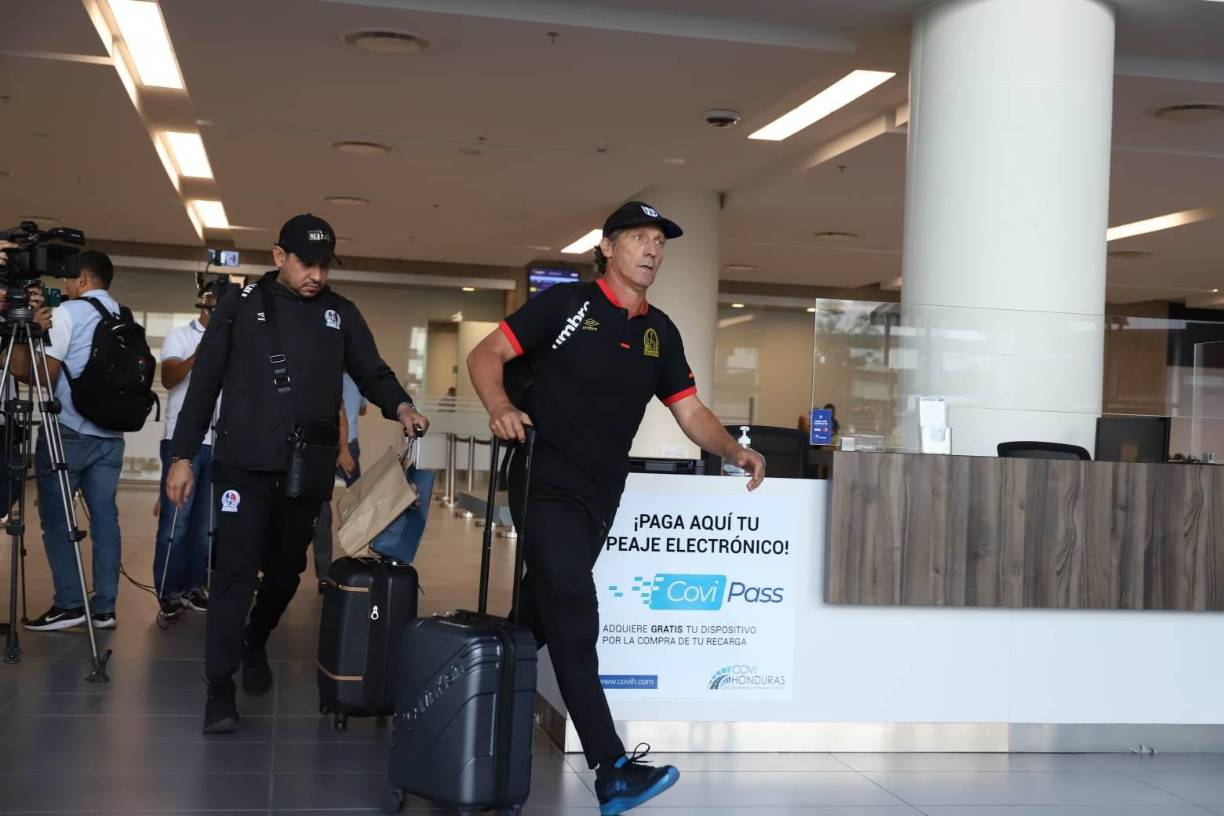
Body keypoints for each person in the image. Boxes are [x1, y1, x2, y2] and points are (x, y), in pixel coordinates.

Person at [467, 200, 765, 816]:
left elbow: (689, 412)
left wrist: (736, 450)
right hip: (542, 482)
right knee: (575, 612)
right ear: (607, 247)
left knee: (538, 616)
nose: (652, 250)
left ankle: (462, 704)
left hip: (599, 497)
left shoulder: (662, 333)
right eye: (638, 238)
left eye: (659, 241)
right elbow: (485, 355)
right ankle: (612, 769)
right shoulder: (567, 306)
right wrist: (499, 405)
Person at [166, 213, 429, 734]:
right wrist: (181, 456)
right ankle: (219, 689)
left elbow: (371, 371)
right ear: (279, 257)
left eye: (324, 266)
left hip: (305, 469)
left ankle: (256, 636)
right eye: (307, 263)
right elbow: (204, 386)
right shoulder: (239, 308)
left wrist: (401, 407)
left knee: (288, 574)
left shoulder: (340, 313)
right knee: (235, 575)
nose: (316, 275)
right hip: (241, 465)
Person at [9, 251, 127, 632]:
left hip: (68, 432)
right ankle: (105, 607)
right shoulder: (122, 316)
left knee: (57, 518)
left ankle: (70, 604)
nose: (64, 287)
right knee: (106, 519)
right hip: (111, 435)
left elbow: (43, 377)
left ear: (81, 279)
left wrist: (19, 347)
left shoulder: (68, 314)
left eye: (67, 280)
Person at [153, 279, 224, 618]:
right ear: (204, 303)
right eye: (212, 303)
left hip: (221, 443)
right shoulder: (180, 335)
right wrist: (202, 352)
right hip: (183, 442)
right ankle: (168, 591)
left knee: (206, 527)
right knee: (176, 522)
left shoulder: (234, 342)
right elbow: (169, 377)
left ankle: (196, 587)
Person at [312, 372, 366, 591]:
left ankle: (325, 574)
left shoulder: (322, 376)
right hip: (347, 445)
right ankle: (357, 564)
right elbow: (363, 409)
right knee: (359, 507)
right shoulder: (356, 380)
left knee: (321, 510)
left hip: (324, 446)